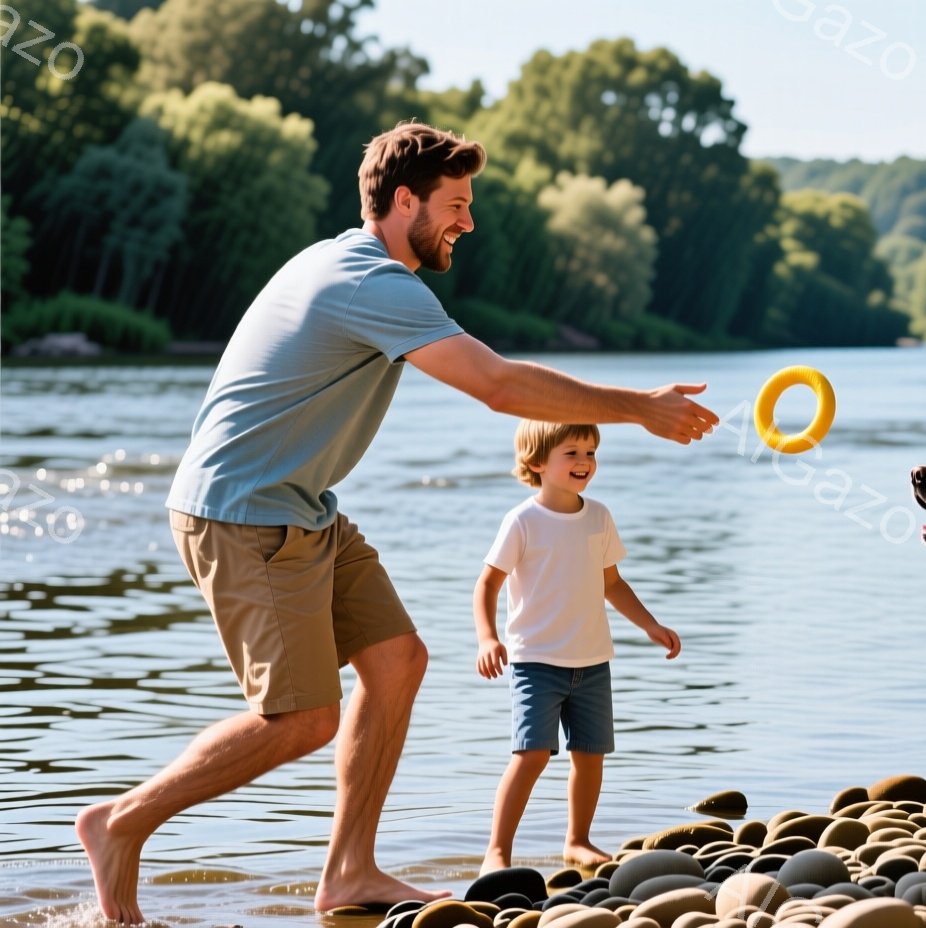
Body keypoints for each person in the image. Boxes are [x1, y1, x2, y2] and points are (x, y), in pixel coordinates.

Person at [75, 122, 719, 925]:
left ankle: (348, 873)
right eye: (455, 204)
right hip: (245, 514)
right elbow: (497, 385)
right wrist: (639, 410)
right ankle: (119, 823)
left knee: (398, 660)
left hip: (302, 508)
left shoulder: (350, 262)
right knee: (303, 718)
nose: (469, 223)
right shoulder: (369, 282)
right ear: (403, 200)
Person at [474, 420, 681, 872]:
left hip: (592, 661)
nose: (585, 461)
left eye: (590, 452)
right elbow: (487, 584)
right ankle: (497, 851)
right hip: (536, 662)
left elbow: (612, 583)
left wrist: (649, 624)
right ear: (536, 463)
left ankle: (577, 841)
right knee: (530, 755)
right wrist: (488, 637)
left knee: (590, 756)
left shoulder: (599, 516)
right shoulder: (522, 521)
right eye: (572, 453)